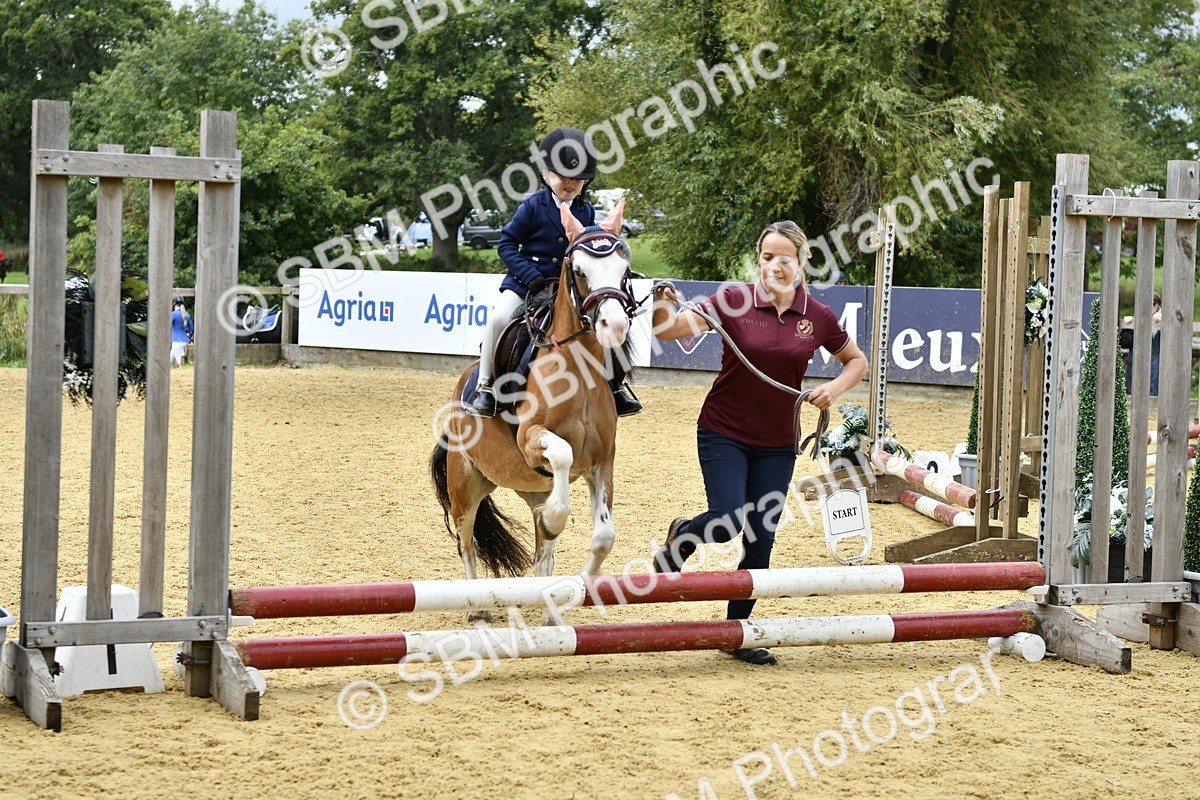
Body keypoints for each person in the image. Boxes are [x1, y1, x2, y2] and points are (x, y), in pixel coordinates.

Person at [649, 220, 868, 665]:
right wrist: (659, 305)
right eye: (767, 257)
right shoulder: (732, 301)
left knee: (761, 540)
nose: (774, 266)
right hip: (723, 431)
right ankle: (682, 539)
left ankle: (737, 633)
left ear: (803, 260)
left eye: (784, 257)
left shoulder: (818, 316)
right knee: (728, 520)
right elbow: (668, 331)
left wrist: (835, 389)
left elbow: (857, 360)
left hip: (777, 442)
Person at [466, 126, 642, 418]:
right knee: (498, 319)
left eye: (577, 178)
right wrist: (529, 275)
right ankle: (485, 386)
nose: (570, 183)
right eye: (563, 176)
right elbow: (507, 245)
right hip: (526, 285)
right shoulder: (533, 207)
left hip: (567, 289)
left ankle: (615, 384)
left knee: (606, 320)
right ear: (547, 174)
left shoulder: (586, 213)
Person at [1120, 292, 1161, 396]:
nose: (1149, 307)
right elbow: (1124, 343)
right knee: (1132, 394)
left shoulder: (1167, 318)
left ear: (1158, 305)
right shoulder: (1136, 319)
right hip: (1136, 364)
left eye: (1152, 303)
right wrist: (1127, 327)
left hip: (1159, 366)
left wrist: (1164, 318)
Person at [171, 296, 193, 367]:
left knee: (182, 365)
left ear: (174, 303)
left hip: (176, 341)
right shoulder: (186, 314)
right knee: (169, 361)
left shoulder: (173, 314)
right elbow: (190, 328)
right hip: (184, 341)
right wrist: (183, 330)